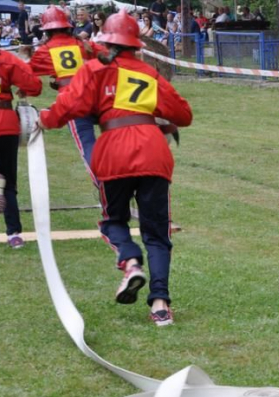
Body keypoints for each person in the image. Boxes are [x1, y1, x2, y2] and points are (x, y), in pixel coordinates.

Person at [37, 9, 193, 326]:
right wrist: (151, 118)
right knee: (158, 234)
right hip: (152, 153)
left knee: (113, 221)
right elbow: (183, 114)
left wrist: (41, 118)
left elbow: (66, 108)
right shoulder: (150, 74)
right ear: (137, 45)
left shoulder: (95, 70)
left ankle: (130, 262)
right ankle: (160, 305)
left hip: (113, 154)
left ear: (106, 43)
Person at [0, 11, 42, 248]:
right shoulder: (4, 57)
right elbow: (35, 86)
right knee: (9, 182)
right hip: (5, 123)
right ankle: (14, 235)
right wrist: (21, 87)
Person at [29, 6, 104, 178]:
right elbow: (109, 56)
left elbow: (27, 74)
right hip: (97, 96)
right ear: (67, 26)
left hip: (72, 101)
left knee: (87, 145)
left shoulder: (45, 50)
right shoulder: (83, 44)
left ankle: (105, 185)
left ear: (47, 30)